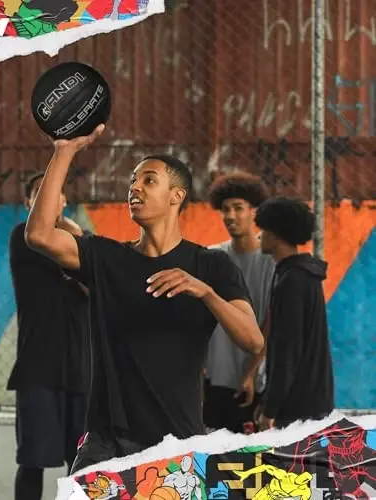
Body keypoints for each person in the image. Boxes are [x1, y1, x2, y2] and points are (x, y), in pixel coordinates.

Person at [25, 124, 264, 473]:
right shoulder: (105, 258)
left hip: (176, 444)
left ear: (176, 196)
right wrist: (64, 150)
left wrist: (205, 292)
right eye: (132, 182)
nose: (134, 187)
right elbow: (39, 235)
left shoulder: (211, 265)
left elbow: (253, 340)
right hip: (106, 442)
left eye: (148, 180)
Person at [7, 172, 91, 500]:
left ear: (64, 201)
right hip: (38, 370)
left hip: (81, 370)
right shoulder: (23, 237)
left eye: (54, 195)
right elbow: (58, 250)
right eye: (39, 196)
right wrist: (75, 236)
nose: (46, 202)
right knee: (33, 462)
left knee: (83, 465)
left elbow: (96, 285)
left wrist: (77, 235)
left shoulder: (83, 241)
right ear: (28, 203)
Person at [253, 196, 334, 431]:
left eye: (264, 230)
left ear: (276, 235)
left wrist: (270, 409)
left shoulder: (292, 281)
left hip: (298, 409)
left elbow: (287, 349)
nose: (259, 236)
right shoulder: (301, 275)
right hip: (310, 401)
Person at [204, 173, 275, 434]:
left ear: (254, 211)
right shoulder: (213, 256)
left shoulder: (270, 260)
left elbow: (271, 321)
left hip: (255, 378)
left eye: (238, 208)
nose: (230, 216)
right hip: (216, 374)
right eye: (225, 209)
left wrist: (251, 372)